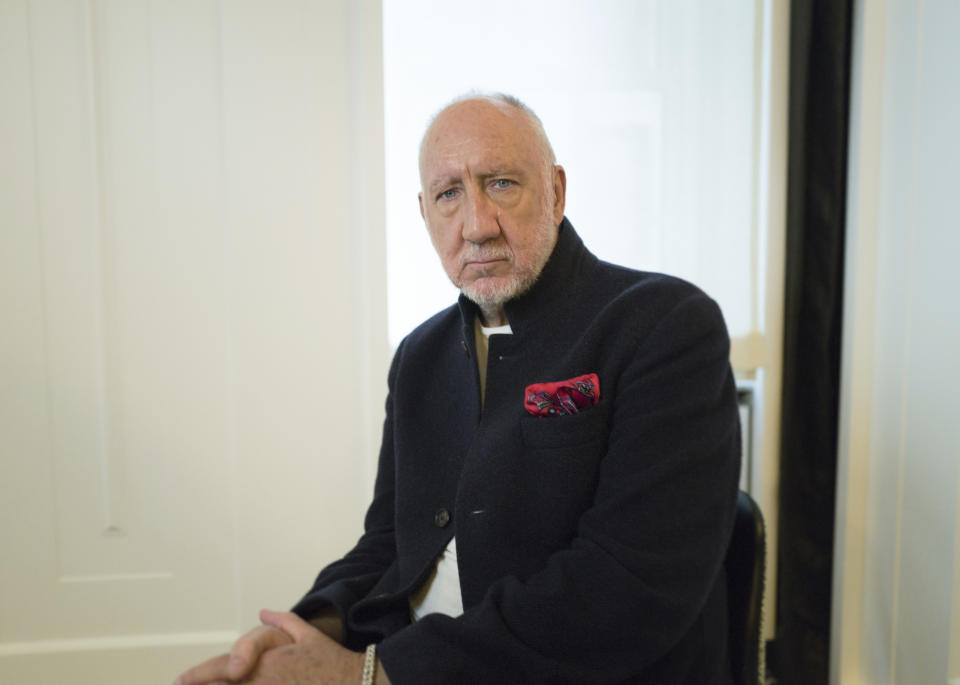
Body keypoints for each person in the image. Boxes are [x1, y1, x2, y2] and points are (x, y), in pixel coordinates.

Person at [175, 93, 741, 685]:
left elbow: (628, 587)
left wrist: (369, 674)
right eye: (449, 195)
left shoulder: (664, 324)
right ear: (425, 214)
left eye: (500, 184)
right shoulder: (419, 356)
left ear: (557, 191)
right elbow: (391, 542)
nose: (476, 226)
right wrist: (307, 633)